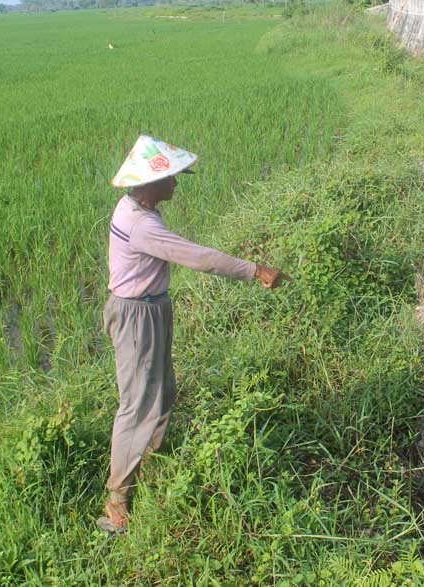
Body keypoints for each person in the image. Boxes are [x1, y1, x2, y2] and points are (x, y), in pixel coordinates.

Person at [97, 135, 287, 533]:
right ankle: (117, 503)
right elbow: (198, 257)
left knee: (163, 392)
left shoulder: (138, 208)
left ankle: (149, 466)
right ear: (151, 182)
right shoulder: (141, 224)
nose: (178, 183)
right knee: (137, 405)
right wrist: (255, 270)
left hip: (152, 308)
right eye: (173, 177)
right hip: (136, 316)